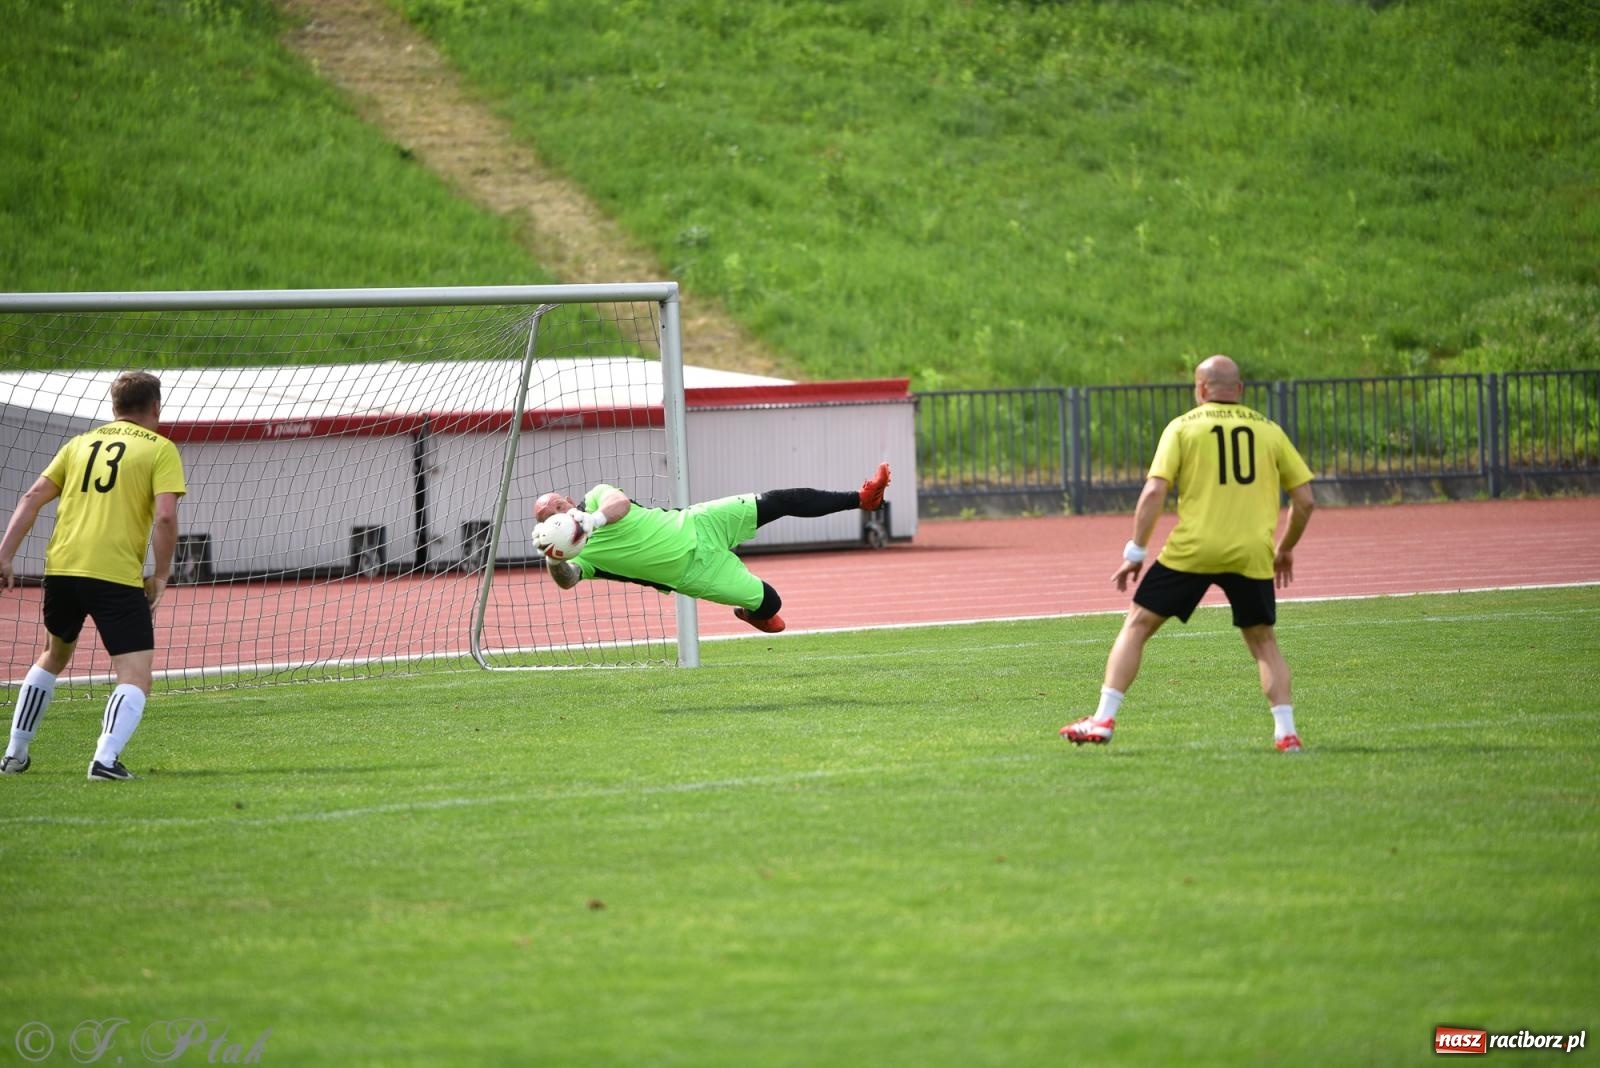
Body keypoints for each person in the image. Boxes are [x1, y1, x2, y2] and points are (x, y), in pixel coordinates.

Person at [1061, 355, 1315, 752]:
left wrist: (1136, 551)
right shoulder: (1270, 431)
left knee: (1139, 624)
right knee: (1264, 641)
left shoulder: (1182, 427)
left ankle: (1104, 717)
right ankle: (1287, 733)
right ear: (1241, 390)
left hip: (1193, 549)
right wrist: (1285, 548)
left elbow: (1154, 492)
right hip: (1251, 552)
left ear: (1200, 389)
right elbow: (1305, 501)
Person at [0, 372, 187, 781]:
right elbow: (167, 516)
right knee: (136, 674)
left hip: (62, 568)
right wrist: (161, 574)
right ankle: (104, 759)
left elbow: (31, 497)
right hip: (114, 573)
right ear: (155, 407)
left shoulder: (78, 444)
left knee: (54, 655)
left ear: (114, 407)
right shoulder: (161, 450)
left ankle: (14, 753)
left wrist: (5, 555)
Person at [532, 462, 891, 633]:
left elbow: (620, 503)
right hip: (695, 573)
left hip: (697, 522)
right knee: (772, 606)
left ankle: (862, 499)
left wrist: (590, 521)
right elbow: (569, 579)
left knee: (778, 501)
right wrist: (554, 561)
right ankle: (752, 614)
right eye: (550, 518)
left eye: (560, 508)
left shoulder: (596, 498)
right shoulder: (583, 555)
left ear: (568, 500)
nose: (559, 516)